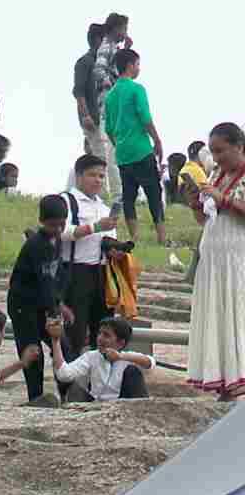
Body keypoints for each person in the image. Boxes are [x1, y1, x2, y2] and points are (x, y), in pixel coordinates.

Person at [185, 122, 245, 401]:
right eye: (213, 151)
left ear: (238, 146)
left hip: (236, 254)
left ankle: (238, 379)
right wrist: (196, 202)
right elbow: (205, 218)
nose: (217, 157)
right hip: (213, 253)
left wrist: (222, 198)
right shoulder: (217, 172)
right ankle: (225, 381)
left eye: (221, 151)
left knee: (236, 311)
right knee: (217, 313)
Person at [58, 154, 119, 387]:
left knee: (102, 328)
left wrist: (115, 249)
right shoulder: (66, 200)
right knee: (74, 330)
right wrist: (95, 227)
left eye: (102, 176)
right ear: (79, 175)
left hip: (101, 272)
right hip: (75, 271)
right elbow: (61, 232)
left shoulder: (103, 207)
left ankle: (100, 385)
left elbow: (108, 239)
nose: (98, 180)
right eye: (93, 175)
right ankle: (68, 386)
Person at [7, 194, 70, 406]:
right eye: (53, 225)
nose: (58, 230)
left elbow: (57, 274)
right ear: (42, 221)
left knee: (63, 347)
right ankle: (36, 398)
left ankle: (67, 396)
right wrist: (55, 311)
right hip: (24, 305)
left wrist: (60, 302)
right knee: (33, 354)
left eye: (62, 225)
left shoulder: (57, 240)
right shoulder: (36, 245)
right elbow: (43, 282)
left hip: (46, 303)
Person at [104, 49, 166, 245]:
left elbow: (108, 129)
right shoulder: (137, 89)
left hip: (122, 154)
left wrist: (119, 145)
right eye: (138, 64)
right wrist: (157, 140)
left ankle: (135, 237)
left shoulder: (110, 96)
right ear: (130, 65)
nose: (139, 68)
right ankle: (162, 238)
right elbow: (145, 118)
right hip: (141, 150)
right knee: (154, 193)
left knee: (128, 197)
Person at [50, 316, 152, 402]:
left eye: (106, 335)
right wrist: (55, 341)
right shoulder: (91, 356)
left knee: (132, 371)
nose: (100, 338)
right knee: (74, 390)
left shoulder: (128, 357)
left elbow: (150, 363)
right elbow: (64, 375)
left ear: (121, 343)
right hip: (95, 405)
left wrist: (120, 357)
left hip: (121, 405)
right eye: (100, 333)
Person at [72, 24, 116, 195]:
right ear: (97, 40)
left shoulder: (104, 64)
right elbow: (79, 91)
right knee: (100, 157)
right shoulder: (85, 62)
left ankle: (111, 194)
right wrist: (86, 115)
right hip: (93, 117)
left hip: (106, 117)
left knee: (111, 157)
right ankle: (102, 195)